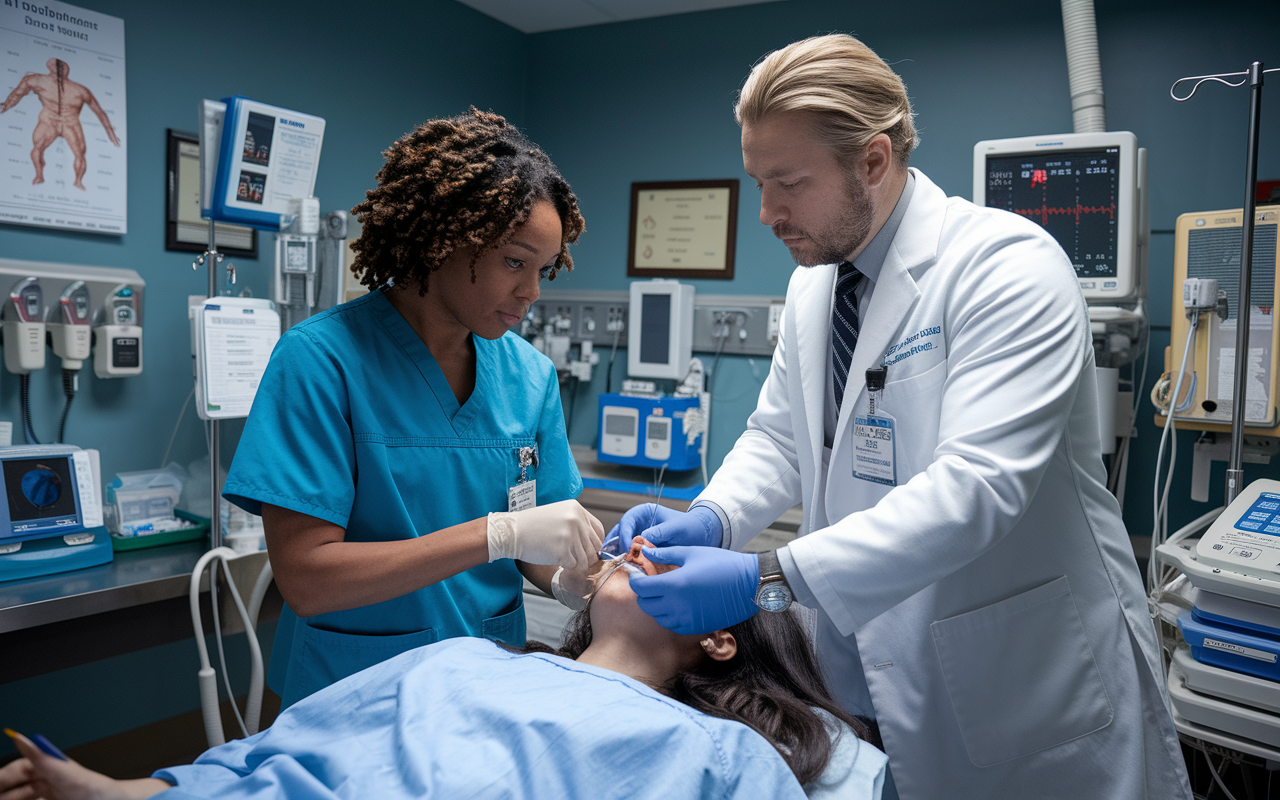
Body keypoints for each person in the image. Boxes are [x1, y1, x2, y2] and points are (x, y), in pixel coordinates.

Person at [608, 34, 1191, 799]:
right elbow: (780, 436)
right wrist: (713, 517)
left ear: (873, 161)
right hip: (863, 677)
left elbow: (977, 488)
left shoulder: (1007, 266)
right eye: (758, 182)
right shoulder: (818, 285)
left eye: (787, 182)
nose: (766, 213)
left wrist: (765, 579)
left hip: (1020, 678)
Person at [0, 541, 887, 800]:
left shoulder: (717, 754)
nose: (645, 547)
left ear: (720, 637)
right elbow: (276, 756)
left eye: (678, 566)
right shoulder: (464, 658)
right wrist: (128, 793)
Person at [221, 109, 605, 709]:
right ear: (445, 240)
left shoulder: (528, 376)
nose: (531, 293)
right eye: (513, 262)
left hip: (489, 680)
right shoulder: (321, 361)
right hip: (353, 692)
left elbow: (535, 537)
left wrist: (570, 576)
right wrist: (495, 534)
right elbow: (308, 579)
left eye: (542, 270)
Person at [0, 58, 121, 190]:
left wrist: (111, 134)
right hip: (48, 120)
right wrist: (6, 106)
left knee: (80, 153)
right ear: (48, 67)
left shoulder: (80, 90)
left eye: (62, 65)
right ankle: (39, 175)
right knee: (38, 147)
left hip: (71, 123)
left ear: (68, 69)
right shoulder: (35, 80)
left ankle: (78, 181)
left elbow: (99, 112)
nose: (58, 67)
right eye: (54, 64)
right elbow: (17, 94)